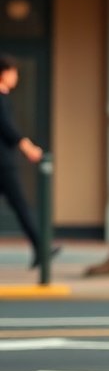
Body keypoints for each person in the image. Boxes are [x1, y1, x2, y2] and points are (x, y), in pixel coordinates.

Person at [0, 54, 46, 268]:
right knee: (21, 205)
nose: (16, 76)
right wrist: (27, 147)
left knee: (21, 206)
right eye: (13, 72)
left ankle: (40, 248)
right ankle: (41, 248)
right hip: (4, 165)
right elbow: (8, 129)